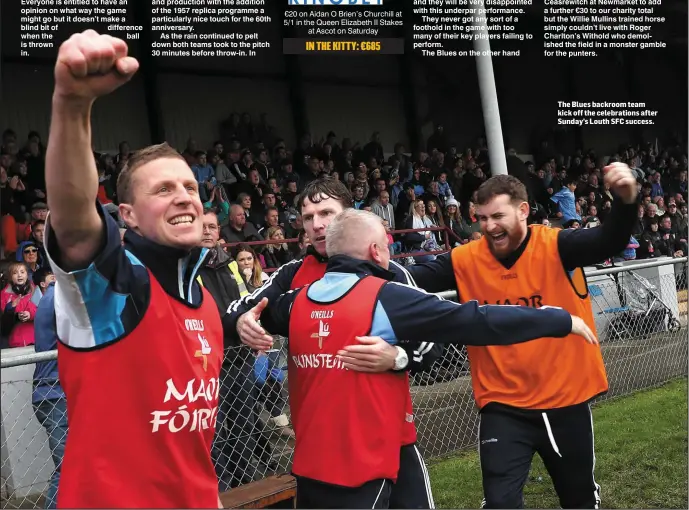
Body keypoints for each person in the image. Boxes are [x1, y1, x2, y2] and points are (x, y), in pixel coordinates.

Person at [251, 209, 596, 509]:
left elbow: (251, 314)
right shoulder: (385, 297)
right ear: (376, 251)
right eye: (385, 246)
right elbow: (476, 320)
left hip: (310, 466)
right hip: (361, 468)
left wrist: (244, 321)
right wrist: (559, 319)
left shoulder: (292, 302)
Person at [390, 165, 638, 509]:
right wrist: (359, 257)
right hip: (503, 404)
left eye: (497, 215)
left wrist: (626, 201)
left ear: (523, 211)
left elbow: (608, 240)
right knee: (499, 501)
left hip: (564, 398)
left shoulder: (557, 246)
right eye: (481, 217)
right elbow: (409, 280)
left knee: (578, 497)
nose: (489, 226)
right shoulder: (465, 260)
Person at [43, 31, 222, 508]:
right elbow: (76, 224)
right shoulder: (114, 290)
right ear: (127, 215)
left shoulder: (204, 301)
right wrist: (73, 104)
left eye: (189, 185)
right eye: (162, 189)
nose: (184, 195)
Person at [225, 178, 444, 509]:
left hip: (391, 439)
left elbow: (432, 342)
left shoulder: (387, 270)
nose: (318, 224)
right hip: (320, 450)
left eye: (327, 212)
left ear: (349, 216)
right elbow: (236, 310)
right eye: (309, 216)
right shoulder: (291, 274)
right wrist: (243, 321)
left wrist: (397, 357)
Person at [31, 272, 67, 510]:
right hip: (54, 394)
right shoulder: (58, 296)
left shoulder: (55, 294)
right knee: (67, 467)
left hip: (57, 392)